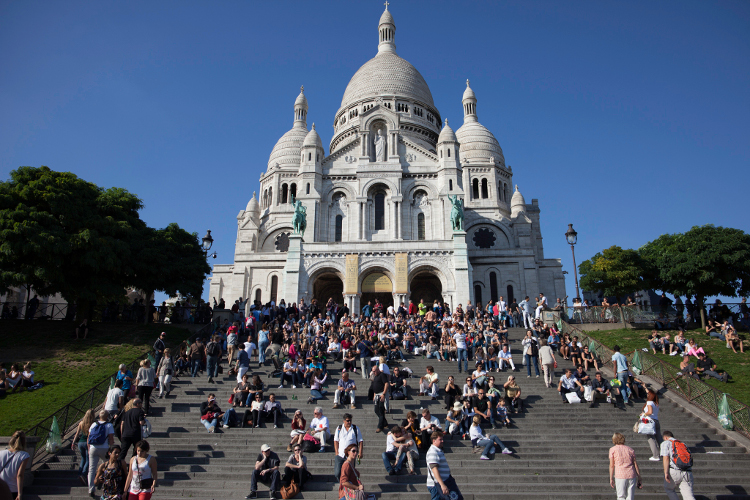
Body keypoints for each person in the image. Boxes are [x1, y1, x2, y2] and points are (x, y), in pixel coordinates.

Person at [426, 431, 463, 500]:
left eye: (442, 439)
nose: (442, 441)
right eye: (440, 439)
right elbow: (434, 470)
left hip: (444, 482)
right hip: (436, 485)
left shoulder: (438, 451)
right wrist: (442, 485)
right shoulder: (432, 452)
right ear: (434, 441)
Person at [660, 431, 695, 500]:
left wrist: (666, 472)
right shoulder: (683, 444)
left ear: (665, 437)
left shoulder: (665, 443)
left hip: (674, 471)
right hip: (687, 472)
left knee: (669, 488)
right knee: (689, 496)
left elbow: (666, 457)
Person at [88, 410, 116, 497]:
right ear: (107, 416)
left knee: (92, 469)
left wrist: (89, 448)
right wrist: (112, 449)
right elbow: (111, 438)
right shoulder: (109, 425)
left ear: (99, 416)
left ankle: (91, 488)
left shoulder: (93, 424)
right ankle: (105, 483)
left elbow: (89, 437)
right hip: (104, 448)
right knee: (108, 466)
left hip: (93, 448)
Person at [609, 432, 642, 500]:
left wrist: (611, 478)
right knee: (630, 497)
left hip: (620, 475)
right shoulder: (630, 449)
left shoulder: (613, 449)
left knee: (621, 496)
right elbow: (635, 464)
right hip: (631, 474)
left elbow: (612, 465)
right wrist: (639, 477)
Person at [0, 431, 30, 500]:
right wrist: (19, 494)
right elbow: (20, 475)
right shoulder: (24, 455)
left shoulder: (1, 453)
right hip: (12, 489)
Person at [333, 413, 364, 480]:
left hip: (351, 456)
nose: (349, 422)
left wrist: (360, 452)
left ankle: (347, 487)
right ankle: (344, 485)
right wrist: (336, 452)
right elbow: (336, 441)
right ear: (344, 421)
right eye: (347, 421)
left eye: (350, 420)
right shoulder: (339, 428)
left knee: (350, 473)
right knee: (337, 473)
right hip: (340, 455)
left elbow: (360, 441)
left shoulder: (355, 429)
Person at [72, 409, 95, 485]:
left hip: (80, 443)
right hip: (88, 443)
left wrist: (73, 442)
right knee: (88, 460)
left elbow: (77, 434)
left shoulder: (81, 423)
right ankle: (83, 474)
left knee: (83, 459)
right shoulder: (93, 423)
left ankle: (79, 474)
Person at [643, 389, 663, 461]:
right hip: (656, 421)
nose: (647, 395)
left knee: (651, 438)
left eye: (648, 394)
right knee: (659, 437)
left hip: (650, 421)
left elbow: (650, 412)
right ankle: (664, 453)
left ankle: (655, 455)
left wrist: (644, 414)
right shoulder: (656, 403)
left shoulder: (649, 402)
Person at [370, 365, 390, 433]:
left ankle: (380, 426)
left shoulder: (382, 375)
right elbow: (375, 387)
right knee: (376, 410)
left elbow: (386, 384)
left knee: (381, 410)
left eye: (374, 371)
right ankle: (385, 422)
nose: (374, 372)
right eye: (373, 371)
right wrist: (374, 395)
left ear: (378, 370)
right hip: (376, 394)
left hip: (381, 394)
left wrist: (384, 394)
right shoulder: (375, 377)